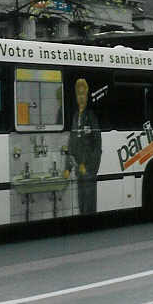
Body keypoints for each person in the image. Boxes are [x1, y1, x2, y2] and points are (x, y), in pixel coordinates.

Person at [66, 78, 101, 215]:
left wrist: (90, 168)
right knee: (81, 205)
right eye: (78, 94)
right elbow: (72, 142)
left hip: (89, 172)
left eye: (83, 94)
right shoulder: (76, 117)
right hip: (79, 172)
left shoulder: (91, 116)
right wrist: (68, 168)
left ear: (87, 95)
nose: (81, 97)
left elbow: (98, 145)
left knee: (89, 206)